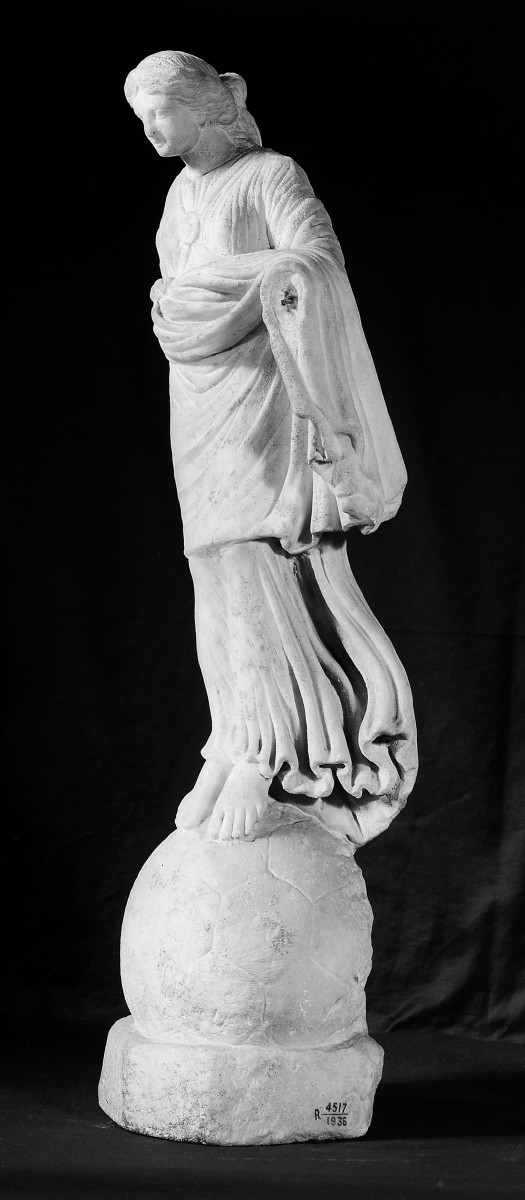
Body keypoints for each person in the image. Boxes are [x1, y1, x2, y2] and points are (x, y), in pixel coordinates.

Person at [125, 50, 418, 843]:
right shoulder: (179, 196)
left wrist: (231, 282)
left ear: (204, 105)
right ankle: (228, 739)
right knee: (210, 566)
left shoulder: (270, 174)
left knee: (260, 560)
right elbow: (175, 295)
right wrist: (187, 298)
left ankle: (272, 752)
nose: (149, 129)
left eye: (159, 110)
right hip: (200, 392)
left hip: (265, 387)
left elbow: (316, 265)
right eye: (140, 117)